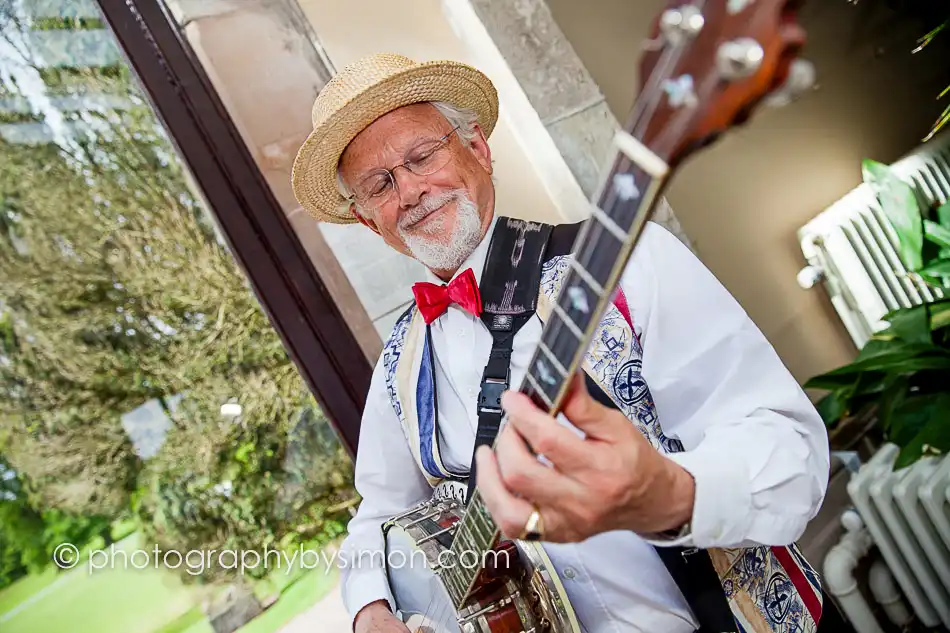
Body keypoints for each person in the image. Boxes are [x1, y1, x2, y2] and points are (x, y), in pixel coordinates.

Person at [292, 53, 832, 633]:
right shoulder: (399, 364)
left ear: (478, 148)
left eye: (422, 156)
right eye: (380, 185)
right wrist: (370, 609)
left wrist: (675, 495)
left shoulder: (628, 263)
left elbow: (790, 449)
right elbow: (379, 514)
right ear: (372, 222)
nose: (411, 192)